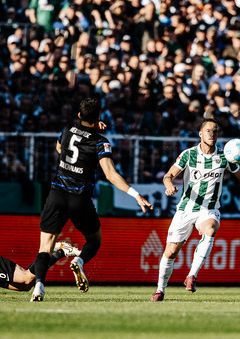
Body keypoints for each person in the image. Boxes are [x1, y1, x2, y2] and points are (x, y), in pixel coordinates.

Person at [29, 97, 152, 301]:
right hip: (80, 199)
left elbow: (59, 148)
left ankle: (39, 287)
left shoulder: (68, 129)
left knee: (46, 246)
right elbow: (110, 175)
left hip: (57, 194)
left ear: (79, 115)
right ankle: (79, 261)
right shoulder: (101, 142)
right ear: (98, 117)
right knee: (94, 241)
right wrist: (136, 194)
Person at [150, 119, 240, 302]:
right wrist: (168, 184)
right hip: (186, 209)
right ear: (200, 134)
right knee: (171, 252)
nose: (212, 134)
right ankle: (160, 290)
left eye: (215, 131)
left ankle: (191, 275)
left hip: (209, 209)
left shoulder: (225, 156)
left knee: (210, 229)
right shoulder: (189, 155)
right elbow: (168, 175)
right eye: (208, 131)